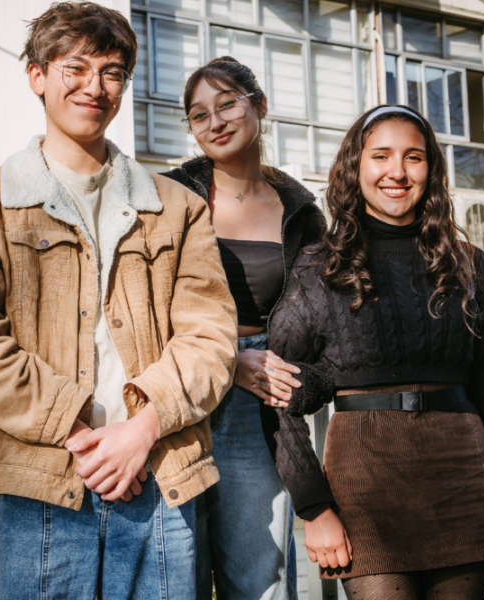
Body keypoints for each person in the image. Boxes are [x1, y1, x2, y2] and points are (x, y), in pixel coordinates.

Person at [0, 2, 237, 598]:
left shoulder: (178, 207)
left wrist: (141, 430)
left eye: (111, 72)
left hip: (160, 474)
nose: (94, 87)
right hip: (35, 483)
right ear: (37, 76)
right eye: (75, 68)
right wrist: (87, 441)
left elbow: (210, 337)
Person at [267, 104, 484, 599]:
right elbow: (274, 395)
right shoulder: (318, 268)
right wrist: (315, 508)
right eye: (381, 156)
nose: (397, 171)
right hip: (364, 488)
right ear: (356, 166)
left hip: (463, 478)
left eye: (413, 157)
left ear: (431, 169)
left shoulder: (467, 264)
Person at [163, 56, 325, 600]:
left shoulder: (301, 210)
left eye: (227, 103)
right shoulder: (167, 195)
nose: (215, 122)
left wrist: (297, 378)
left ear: (259, 105)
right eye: (198, 114)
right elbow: (141, 303)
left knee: (260, 578)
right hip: (179, 386)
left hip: (259, 400)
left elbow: (317, 320)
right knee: (174, 575)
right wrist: (227, 358)